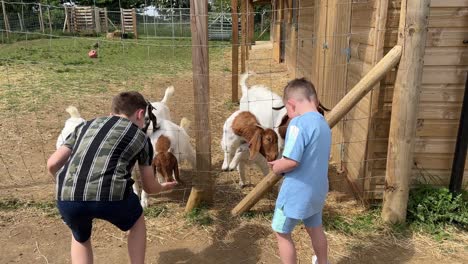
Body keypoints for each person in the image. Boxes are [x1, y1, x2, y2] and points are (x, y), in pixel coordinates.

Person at [47, 91, 177, 264]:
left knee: (80, 237)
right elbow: (149, 187)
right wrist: (164, 187)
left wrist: (66, 185)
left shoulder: (84, 126)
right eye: (144, 118)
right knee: (136, 221)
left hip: (68, 197)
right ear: (139, 114)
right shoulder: (141, 137)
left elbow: (52, 163)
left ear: (112, 112)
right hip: (112, 196)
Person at [268, 78, 331, 264]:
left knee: (281, 231)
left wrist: (278, 166)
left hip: (296, 191)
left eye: (287, 111)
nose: (289, 115)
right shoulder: (323, 124)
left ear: (291, 104)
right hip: (317, 190)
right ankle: (322, 261)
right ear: (316, 101)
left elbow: (292, 161)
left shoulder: (297, 124)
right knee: (315, 227)